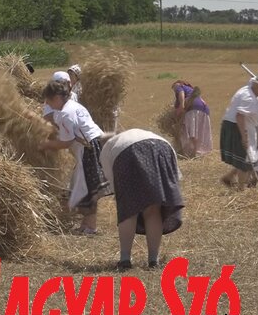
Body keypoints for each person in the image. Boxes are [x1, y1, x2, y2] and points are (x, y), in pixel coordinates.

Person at [99, 129, 184, 270]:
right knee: (153, 209)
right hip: (162, 148)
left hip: (128, 154)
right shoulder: (139, 133)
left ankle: (125, 260)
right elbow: (174, 174)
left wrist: (126, 199)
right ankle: (153, 260)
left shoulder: (106, 150)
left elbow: (115, 188)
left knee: (129, 210)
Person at [38, 81, 112, 235]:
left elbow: (66, 142)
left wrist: (46, 145)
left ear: (57, 97)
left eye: (49, 101)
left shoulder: (66, 113)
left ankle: (90, 228)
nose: (48, 104)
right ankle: (86, 225)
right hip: (95, 144)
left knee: (88, 188)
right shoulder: (72, 106)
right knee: (82, 186)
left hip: (89, 148)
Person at [219, 74, 258, 189]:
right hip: (237, 127)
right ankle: (241, 189)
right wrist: (244, 136)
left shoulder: (251, 91)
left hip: (244, 126)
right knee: (244, 160)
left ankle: (228, 178)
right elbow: (239, 116)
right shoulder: (248, 96)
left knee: (249, 158)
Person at [172, 81, 212, 158]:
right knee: (199, 130)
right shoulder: (191, 89)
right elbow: (202, 101)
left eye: (173, 88)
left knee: (190, 131)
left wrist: (181, 105)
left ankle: (193, 152)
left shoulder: (179, 86)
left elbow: (181, 93)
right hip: (204, 109)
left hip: (192, 108)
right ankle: (199, 151)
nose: (174, 90)